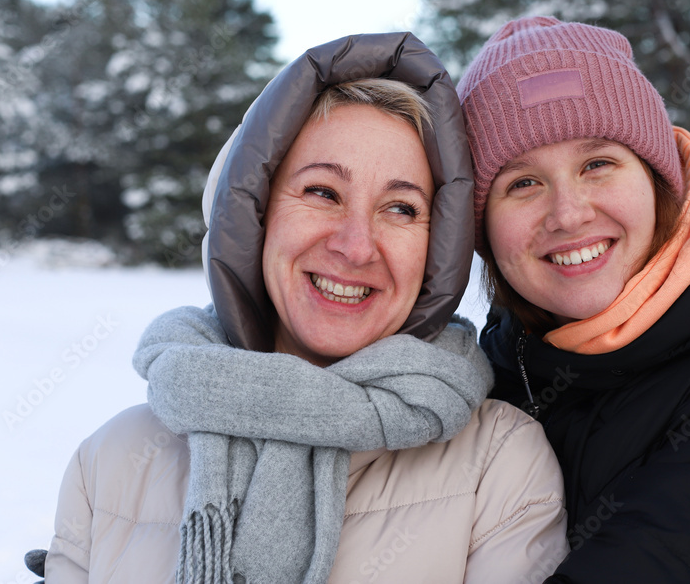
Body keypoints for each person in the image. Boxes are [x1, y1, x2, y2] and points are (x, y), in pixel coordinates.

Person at [39, 32, 568, 583]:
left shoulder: (500, 465)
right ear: (252, 217)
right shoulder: (110, 462)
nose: (356, 246)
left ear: (440, 251)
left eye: (401, 208)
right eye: (322, 193)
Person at [457, 16, 690, 582]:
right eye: (522, 183)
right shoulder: (502, 356)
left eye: (597, 164)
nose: (568, 214)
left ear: (659, 179)